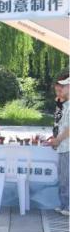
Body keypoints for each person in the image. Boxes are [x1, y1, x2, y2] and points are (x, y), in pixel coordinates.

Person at [49, 73, 69, 216]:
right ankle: (64, 205)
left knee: (66, 178)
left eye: (63, 86)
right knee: (63, 178)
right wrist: (55, 139)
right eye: (58, 87)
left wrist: (58, 139)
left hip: (67, 146)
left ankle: (67, 206)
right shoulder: (64, 105)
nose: (60, 89)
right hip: (63, 147)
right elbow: (59, 125)